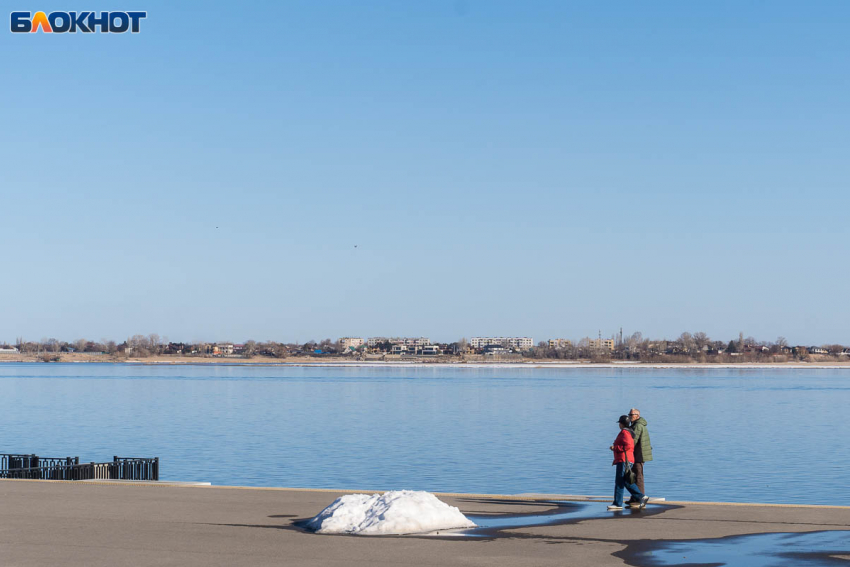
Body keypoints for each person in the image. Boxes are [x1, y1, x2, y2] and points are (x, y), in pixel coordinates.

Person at [608, 415, 649, 510]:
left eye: (619, 423)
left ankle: (617, 504)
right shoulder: (629, 431)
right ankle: (641, 497)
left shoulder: (625, 432)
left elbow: (628, 446)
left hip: (624, 460)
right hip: (626, 459)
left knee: (619, 482)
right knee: (626, 481)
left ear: (622, 424)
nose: (619, 425)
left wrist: (615, 448)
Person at [627, 408, 653, 507]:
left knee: (638, 477)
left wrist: (624, 448)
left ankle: (640, 498)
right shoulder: (635, 425)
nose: (629, 416)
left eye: (631, 414)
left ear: (637, 416)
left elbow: (633, 441)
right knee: (634, 476)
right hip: (637, 455)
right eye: (629, 414)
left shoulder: (637, 426)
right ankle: (634, 497)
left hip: (638, 455)